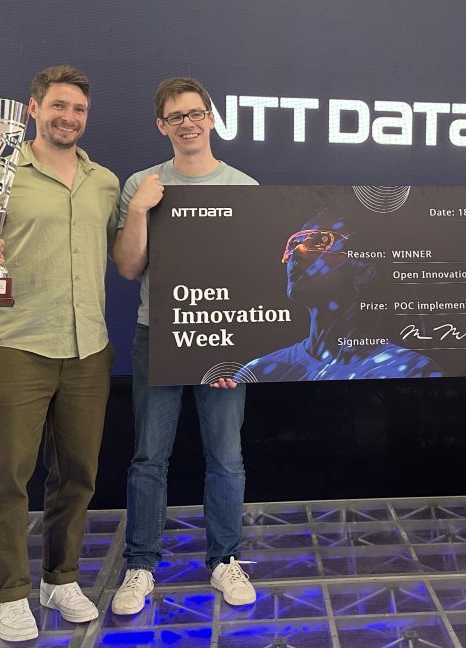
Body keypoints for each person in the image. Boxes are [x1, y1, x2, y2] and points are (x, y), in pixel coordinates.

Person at [0, 65, 119, 642]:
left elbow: (127, 253)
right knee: (7, 478)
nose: (69, 117)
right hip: (15, 346)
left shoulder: (104, 182)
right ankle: (9, 592)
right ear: (34, 109)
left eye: (79, 109)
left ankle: (60, 579)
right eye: (58, 106)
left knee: (77, 475)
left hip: (88, 348)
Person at [111, 77, 258, 616]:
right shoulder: (142, 184)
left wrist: (239, 347)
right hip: (159, 333)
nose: (188, 123)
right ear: (162, 126)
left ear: (212, 119)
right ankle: (140, 565)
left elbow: (255, 278)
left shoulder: (244, 187)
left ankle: (225, 559)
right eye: (176, 116)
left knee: (227, 455)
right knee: (150, 455)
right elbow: (128, 267)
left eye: (196, 113)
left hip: (223, 336)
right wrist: (139, 211)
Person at [234, 209, 443, 382]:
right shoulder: (258, 373)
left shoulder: (410, 370)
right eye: (294, 243)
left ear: (363, 271)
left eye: (320, 240)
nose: (297, 252)